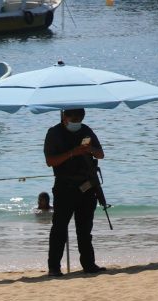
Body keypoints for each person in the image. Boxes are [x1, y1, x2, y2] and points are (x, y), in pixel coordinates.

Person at [43, 108, 105, 276]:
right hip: (64, 187)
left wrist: (89, 149)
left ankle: (89, 264)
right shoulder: (54, 133)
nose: (76, 122)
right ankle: (54, 267)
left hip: (86, 186)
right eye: (73, 119)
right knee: (59, 229)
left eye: (79, 119)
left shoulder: (86, 130)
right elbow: (50, 161)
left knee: (85, 230)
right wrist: (72, 153)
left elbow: (100, 154)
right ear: (65, 117)